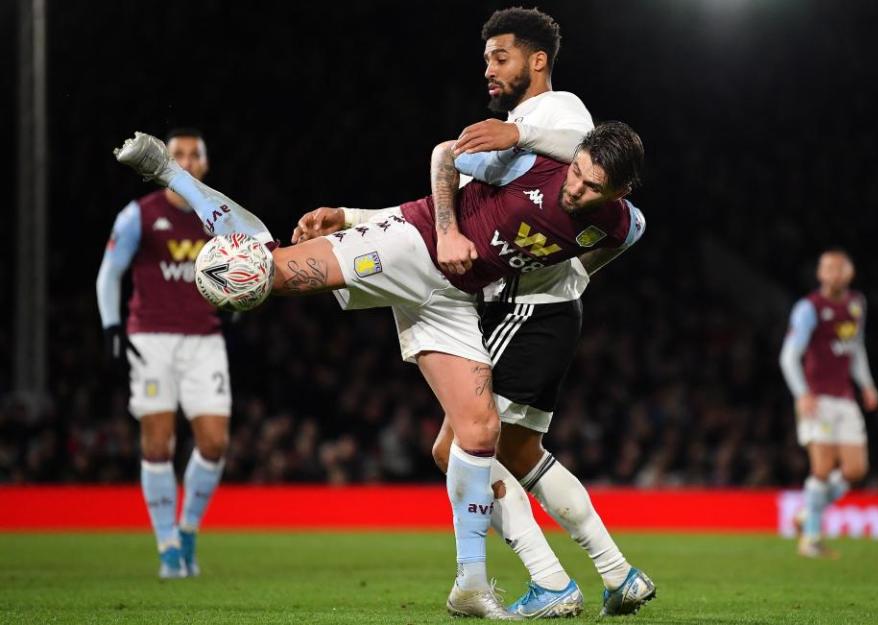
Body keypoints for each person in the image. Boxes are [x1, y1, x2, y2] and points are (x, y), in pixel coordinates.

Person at [114, 120, 645, 618]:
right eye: (576, 172)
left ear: (617, 192)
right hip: (410, 246)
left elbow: (624, 235)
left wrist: (575, 276)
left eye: (591, 186)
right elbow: (445, 156)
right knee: (267, 271)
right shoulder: (532, 166)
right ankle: (168, 171)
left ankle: (472, 585)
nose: (575, 189)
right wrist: (444, 230)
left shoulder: (618, 220)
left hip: (453, 300)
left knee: (479, 433)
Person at [291, 7, 655, 618]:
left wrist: (523, 142)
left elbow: (574, 162)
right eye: (486, 57)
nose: (488, 69)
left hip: (526, 313)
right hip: (550, 312)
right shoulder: (526, 134)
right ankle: (617, 574)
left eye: (501, 57)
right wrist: (354, 217)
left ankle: (551, 582)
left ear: (537, 61)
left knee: (458, 449)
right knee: (521, 455)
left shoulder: (554, 113)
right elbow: (450, 210)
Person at [96, 129, 231, 578]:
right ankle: (168, 546)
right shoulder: (139, 215)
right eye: (178, 155)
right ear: (163, 163)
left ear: (206, 165)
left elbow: (247, 264)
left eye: (195, 155)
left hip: (204, 339)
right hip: (151, 338)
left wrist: (241, 303)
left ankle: (189, 527)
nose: (187, 162)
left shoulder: (217, 216)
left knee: (214, 441)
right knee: (158, 442)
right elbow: (109, 273)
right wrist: (112, 325)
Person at [779, 249, 878, 558]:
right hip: (817, 399)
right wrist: (802, 393)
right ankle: (811, 540)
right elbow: (788, 356)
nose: (834, 273)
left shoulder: (856, 304)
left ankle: (809, 513)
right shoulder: (808, 309)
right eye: (828, 268)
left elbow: (856, 347)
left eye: (839, 268)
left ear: (849, 273)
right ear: (820, 274)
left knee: (855, 469)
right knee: (822, 467)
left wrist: (867, 385)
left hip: (845, 399)